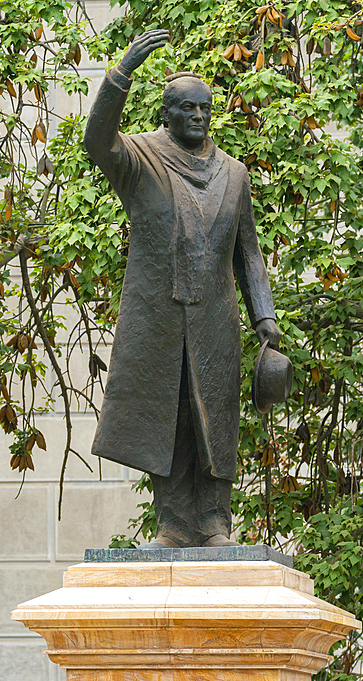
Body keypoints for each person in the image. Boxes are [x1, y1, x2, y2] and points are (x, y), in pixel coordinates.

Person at [85, 29, 281, 548]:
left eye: (205, 109)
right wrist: (119, 76)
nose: (198, 116)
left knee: (214, 416)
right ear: (166, 113)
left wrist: (265, 318)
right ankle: (172, 524)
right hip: (158, 318)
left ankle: (216, 521)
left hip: (216, 318)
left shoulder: (234, 175)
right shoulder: (139, 159)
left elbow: (249, 254)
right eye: (187, 108)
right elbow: (96, 140)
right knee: (166, 418)